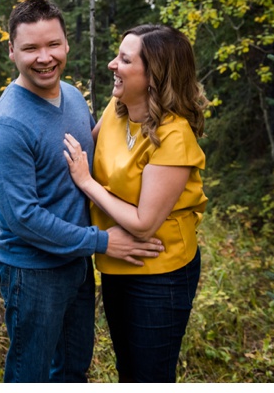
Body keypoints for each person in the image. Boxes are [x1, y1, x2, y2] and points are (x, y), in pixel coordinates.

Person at [0, 0, 166, 383]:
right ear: (11, 50)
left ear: (67, 44)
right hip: (32, 272)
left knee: (72, 371)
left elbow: (105, 153)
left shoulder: (72, 96)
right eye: (31, 48)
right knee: (29, 375)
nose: (44, 57)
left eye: (53, 45)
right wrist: (101, 241)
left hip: (77, 264)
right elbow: (23, 218)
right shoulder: (7, 126)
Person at [63, 24, 209, 383]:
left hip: (160, 272)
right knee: (128, 370)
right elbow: (83, 148)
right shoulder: (118, 110)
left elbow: (144, 222)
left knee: (150, 377)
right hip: (116, 263)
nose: (113, 64)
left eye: (125, 59)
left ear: (154, 77)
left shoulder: (174, 135)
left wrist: (87, 183)